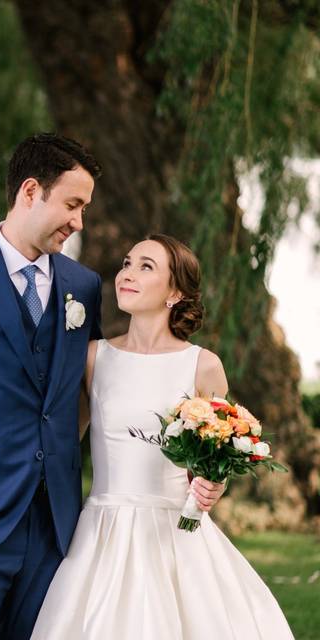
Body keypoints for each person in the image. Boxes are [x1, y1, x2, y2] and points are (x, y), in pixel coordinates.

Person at [0, 133, 227, 638]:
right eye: (72, 204)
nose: (79, 221)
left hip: (57, 532)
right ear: (30, 191)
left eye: (85, 207)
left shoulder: (82, 286)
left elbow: (86, 398)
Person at [30, 234, 293, 639]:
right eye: (127, 263)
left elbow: (214, 456)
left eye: (145, 267)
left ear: (175, 292)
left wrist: (213, 485)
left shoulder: (202, 365)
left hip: (175, 533)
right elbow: (62, 443)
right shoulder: (94, 357)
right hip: (103, 530)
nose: (127, 274)